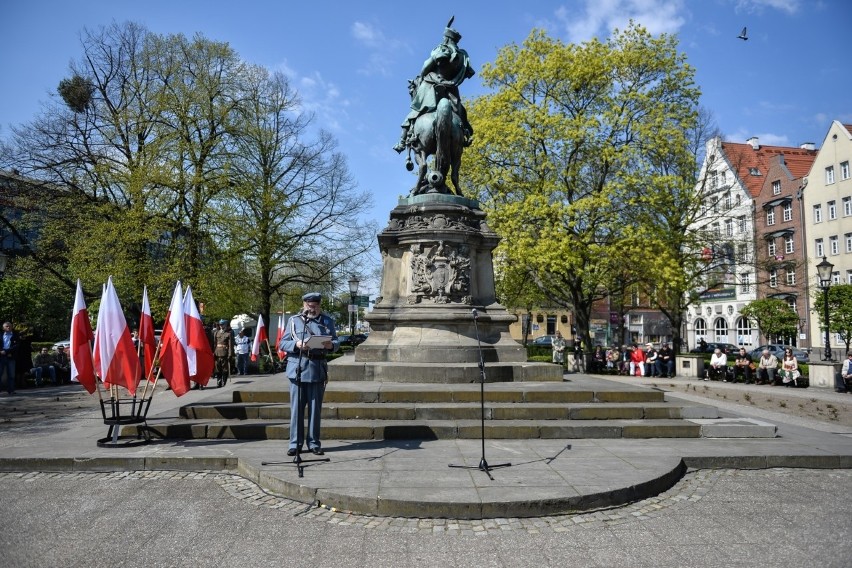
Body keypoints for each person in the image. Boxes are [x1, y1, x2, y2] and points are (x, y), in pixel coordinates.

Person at [394, 18, 475, 153]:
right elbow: (467, 73)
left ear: (447, 38)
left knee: (414, 113)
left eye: (444, 37)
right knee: (461, 116)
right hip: (452, 91)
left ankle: (402, 141)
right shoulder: (463, 56)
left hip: (432, 87)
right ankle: (465, 135)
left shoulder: (442, 49)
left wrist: (421, 75)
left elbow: (426, 67)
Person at [279, 292, 339, 456]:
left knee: (315, 410)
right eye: (309, 306)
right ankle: (295, 444)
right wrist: (297, 344)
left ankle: (313, 443)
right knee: (296, 410)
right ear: (304, 305)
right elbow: (282, 343)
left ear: (320, 305)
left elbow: (336, 341)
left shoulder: (327, 321)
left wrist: (330, 345)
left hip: (317, 368)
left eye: (315, 306)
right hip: (298, 368)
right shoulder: (294, 321)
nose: (312, 309)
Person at [212, 319, 233, 388]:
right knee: (218, 368)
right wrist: (214, 352)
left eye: (223, 324)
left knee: (224, 368)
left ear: (226, 325)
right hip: (217, 352)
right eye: (220, 325)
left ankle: (224, 381)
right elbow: (214, 344)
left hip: (224, 352)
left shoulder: (228, 334)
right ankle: (219, 381)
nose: (221, 326)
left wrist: (230, 354)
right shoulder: (216, 333)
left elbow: (230, 345)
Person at [0, 322, 20, 395]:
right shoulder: (0, 335)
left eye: (10, 326)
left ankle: (11, 390)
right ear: (3, 328)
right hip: (1, 356)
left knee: (11, 374)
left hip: (10, 356)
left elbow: (16, 346)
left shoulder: (15, 335)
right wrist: (1, 351)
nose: (8, 327)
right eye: (6, 326)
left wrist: (6, 351)